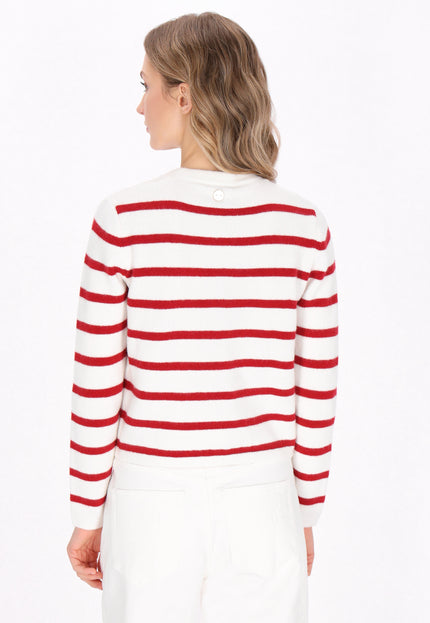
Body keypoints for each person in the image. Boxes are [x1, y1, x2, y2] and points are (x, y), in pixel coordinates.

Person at [66, 11, 338, 623]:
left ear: (183, 95)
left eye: (146, 86)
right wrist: (304, 513)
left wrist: (87, 513)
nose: (140, 106)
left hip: (150, 497)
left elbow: (97, 383)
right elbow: (316, 389)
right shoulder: (303, 226)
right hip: (264, 499)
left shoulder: (123, 220)